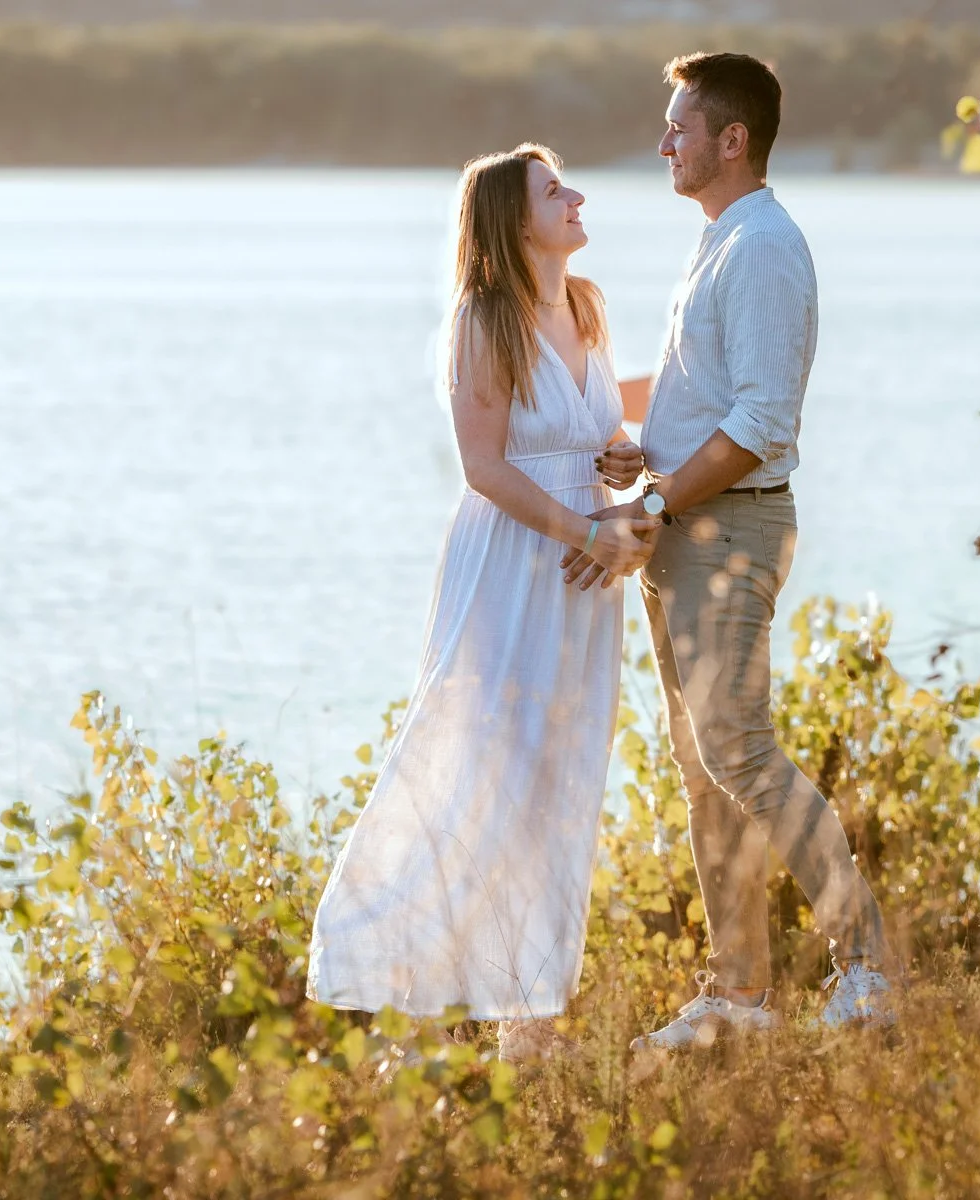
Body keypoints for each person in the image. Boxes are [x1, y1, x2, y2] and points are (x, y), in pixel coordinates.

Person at [561, 52, 895, 1050]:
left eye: (679, 127)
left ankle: (870, 969)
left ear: (731, 139)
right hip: (685, 527)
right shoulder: (717, 242)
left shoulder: (761, 248)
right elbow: (696, 390)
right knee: (703, 768)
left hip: (728, 527)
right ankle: (738, 996)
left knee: (740, 750)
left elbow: (760, 421)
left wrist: (656, 496)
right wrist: (629, 439)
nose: (665, 142)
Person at [306, 144, 659, 1063]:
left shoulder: (586, 305)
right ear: (515, 220)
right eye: (555, 191)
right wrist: (586, 533)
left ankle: (530, 1019)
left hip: (590, 571)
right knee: (472, 764)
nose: (577, 198)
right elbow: (486, 465)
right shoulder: (481, 320)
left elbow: (598, 426)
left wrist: (623, 461)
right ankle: (388, 982)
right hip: (517, 560)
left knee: (562, 775)